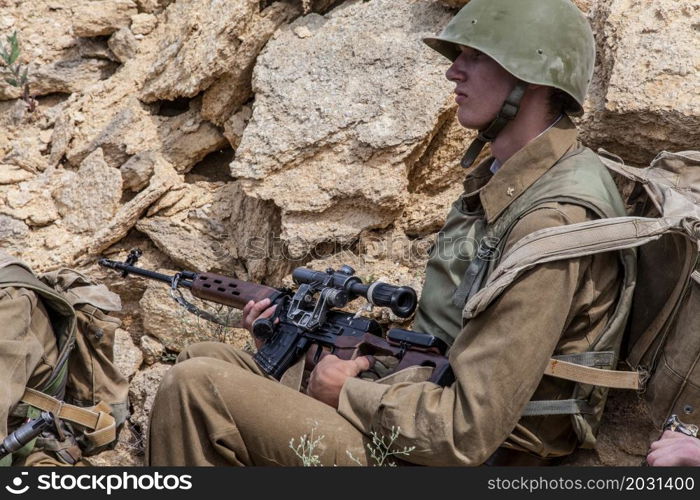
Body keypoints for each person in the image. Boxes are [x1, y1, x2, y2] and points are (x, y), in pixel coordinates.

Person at [147, 0, 633, 466]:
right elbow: (445, 338)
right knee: (205, 356)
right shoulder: (510, 177)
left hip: (470, 457)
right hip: (418, 396)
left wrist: (348, 392)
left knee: (197, 389)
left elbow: (467, 432)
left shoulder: (551, 219)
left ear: (529, 78)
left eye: (475, 57)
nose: (453, 71)